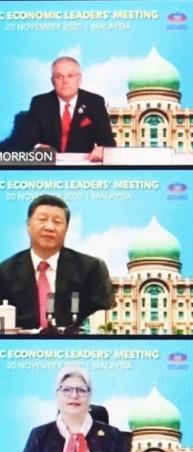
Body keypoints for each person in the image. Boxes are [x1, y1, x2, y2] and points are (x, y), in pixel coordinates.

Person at [8, 365, 135, 452]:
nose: (74, 396)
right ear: (57, 396)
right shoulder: (40, 435)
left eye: (81, 390)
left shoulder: (113, 436)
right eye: (66, 390)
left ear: (90, 396)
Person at [0, 194, 114, 330]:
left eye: (57, 222)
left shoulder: (91, 268)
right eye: (42, 219)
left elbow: (103, 320)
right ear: (28, 224)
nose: (49, 227)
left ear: (66, 229)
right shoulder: (5, 272)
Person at [14, 57, 115, 161]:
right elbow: (26, 140)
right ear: (52, 81)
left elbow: (109, 143)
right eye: (59, 76)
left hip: (82, 170)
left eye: (70, 76)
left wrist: (103, 150)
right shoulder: (39, 103)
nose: (65, 81)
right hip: (48, 169)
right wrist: (38, 147)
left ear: (79, 79)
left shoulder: (95, 102)